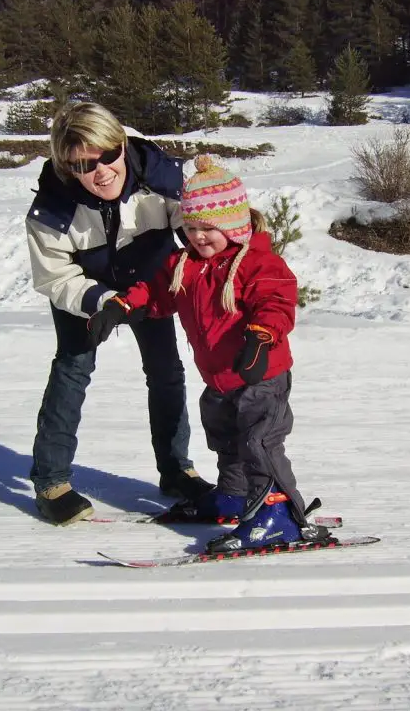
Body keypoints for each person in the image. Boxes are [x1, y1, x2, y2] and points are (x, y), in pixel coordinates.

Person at [88, 156, 331, 553]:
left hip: (260, 374)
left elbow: (276, 303)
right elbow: (155, 292)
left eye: (209, 228)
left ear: (233, 225)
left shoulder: (257, 263)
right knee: (226, 439)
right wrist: (121, 306)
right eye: (191, 227)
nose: (199, 237)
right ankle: (236, 496)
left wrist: (259, 338)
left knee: (259, 442)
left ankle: (279, 512)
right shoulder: (184, 265)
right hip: (218, 377)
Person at [25, 102, 213, 526]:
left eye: (108, 155)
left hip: (150, 281)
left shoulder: (166, 179)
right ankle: (51, 481)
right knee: (73, 368)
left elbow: (200, 224)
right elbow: (54, 276)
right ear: (66, 166)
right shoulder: (52, 210)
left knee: (166, 370)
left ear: (121, 145)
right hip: (85, 288)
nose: (102, 171)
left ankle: (176, 469)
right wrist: (101, 301)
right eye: (84, 165)